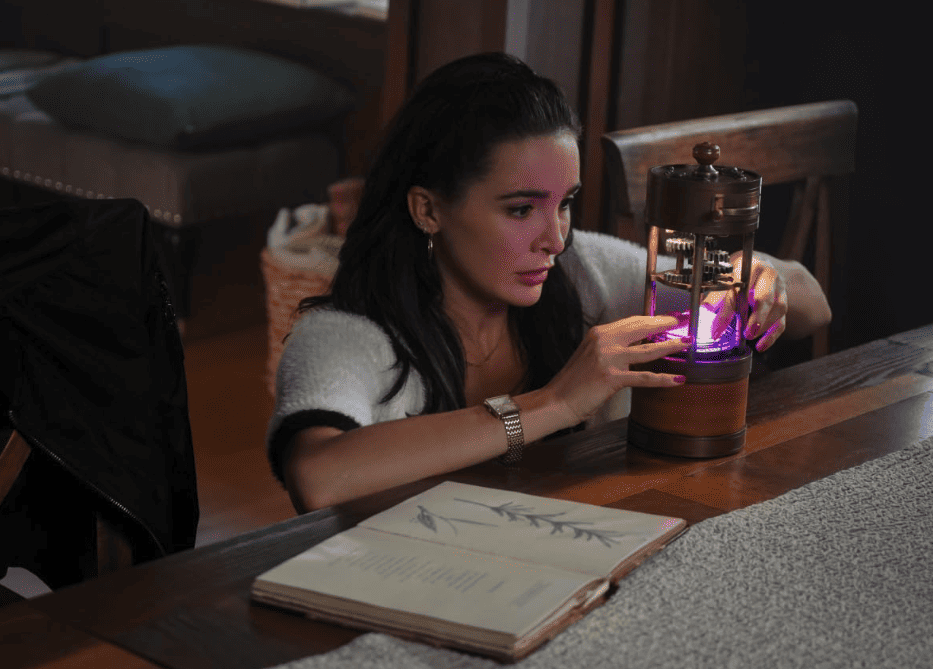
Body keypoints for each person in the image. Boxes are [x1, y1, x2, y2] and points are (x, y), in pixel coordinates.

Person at [268, 53, 831, 513]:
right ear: (427, 209)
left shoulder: (580, 274)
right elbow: (319, 476)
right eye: (520, 211)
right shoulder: (345, 334)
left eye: (565, 204)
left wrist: (759, 282)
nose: (555, 239)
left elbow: (814, 303)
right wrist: (557, 402)